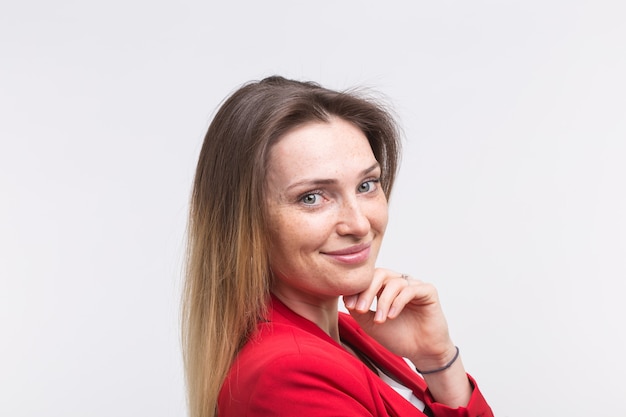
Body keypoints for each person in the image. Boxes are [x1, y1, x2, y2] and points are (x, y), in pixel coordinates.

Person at [182, 75, 494, 417]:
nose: (359, 224)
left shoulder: (352, 335)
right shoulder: (287, 375)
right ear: (245, 223)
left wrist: (437, 359)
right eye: (312, 197)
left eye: (366, 185)